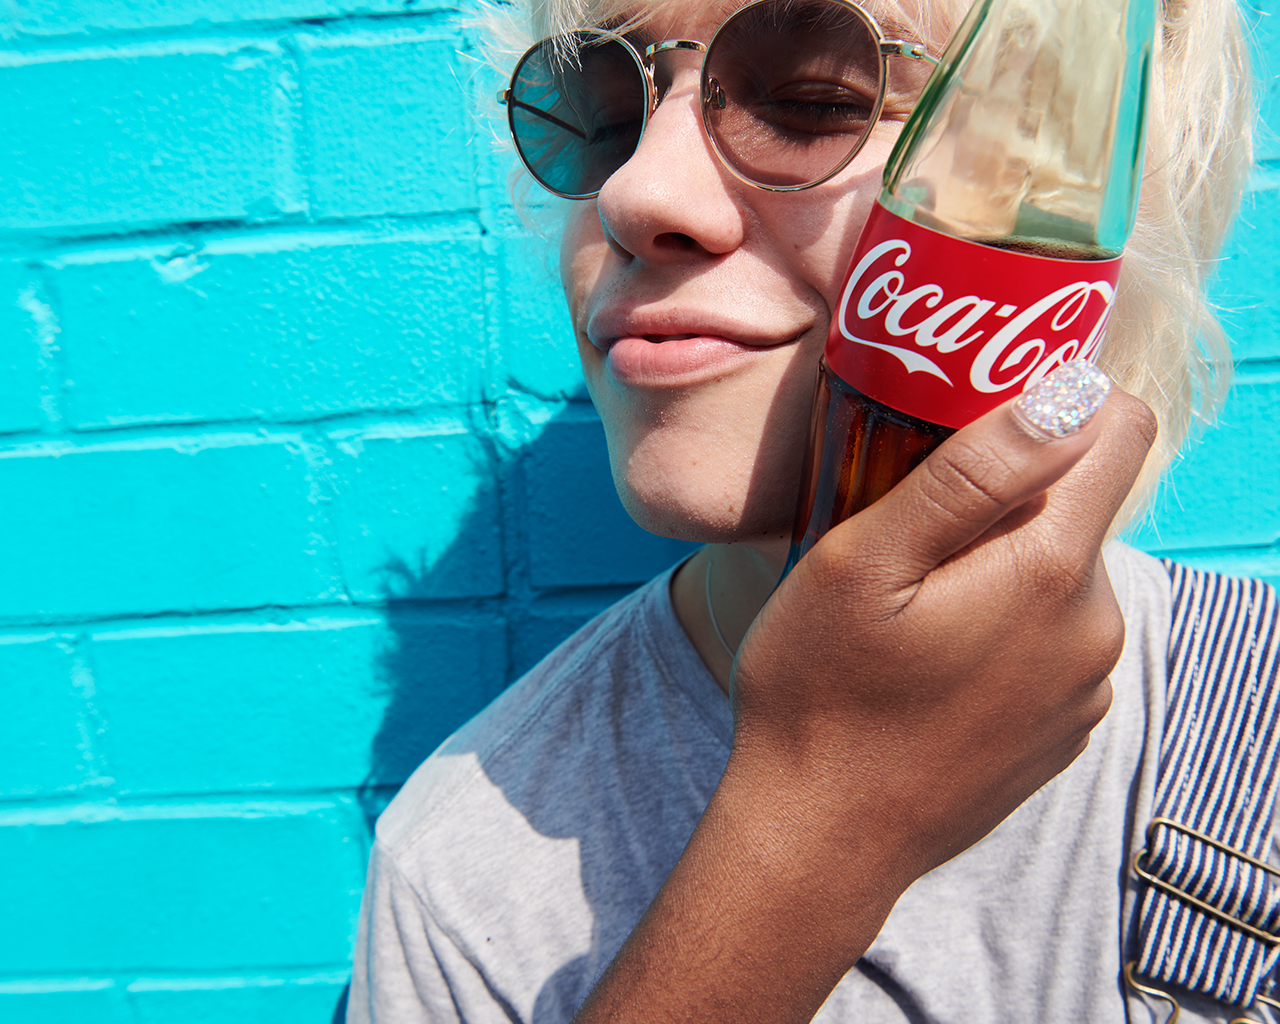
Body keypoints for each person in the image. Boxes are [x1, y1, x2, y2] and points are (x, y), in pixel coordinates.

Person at [347, 0, 1274, 1020]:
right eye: (604, 112)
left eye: (810, 99)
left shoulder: (1255, 717)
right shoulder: (458, 874)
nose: (633, 192)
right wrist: (816, 827)